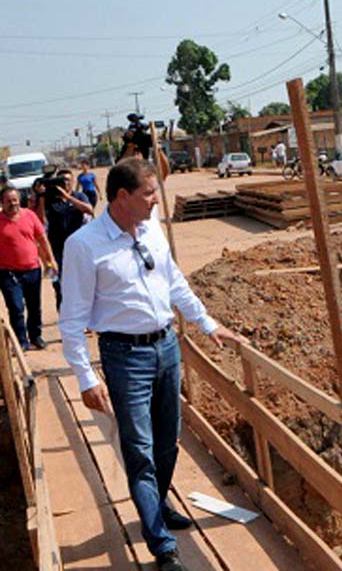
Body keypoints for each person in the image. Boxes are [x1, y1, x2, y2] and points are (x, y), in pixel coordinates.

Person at [59, 158, 247, 571]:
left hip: (166, 346)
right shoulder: (84, 245)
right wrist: (86, 378)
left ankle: (157, 504)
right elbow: (71, 320)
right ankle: (162, 546)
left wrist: (207, 323)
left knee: (167, 441)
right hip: (125, 357)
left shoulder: (151, 228)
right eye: (148, 193)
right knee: (140, 449)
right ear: (122, 196)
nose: (156, 200)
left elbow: (173, 281)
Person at [0, 185, 56, 351]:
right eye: (8, 201)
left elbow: (42, 239)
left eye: (15, 200)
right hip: (8, 272)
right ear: (2, 203)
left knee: (34, 306)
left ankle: (35, 336)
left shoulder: (30, 215)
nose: (13, 203)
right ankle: (21, 341)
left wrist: (51, 260)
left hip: (32, 269)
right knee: (16, 307)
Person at [46, 169, 93, 310]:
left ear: (73, 181)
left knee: (82, 282)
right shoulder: (50, 199)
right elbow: (40, 218)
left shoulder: (79, 196)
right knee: (60, 285)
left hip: (78, 248)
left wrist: (68, 197)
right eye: (61, 180)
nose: (65, 183)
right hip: (57, 249)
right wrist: (42, 196)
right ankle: (64, 314)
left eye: (67, 180)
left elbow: (89, 210)